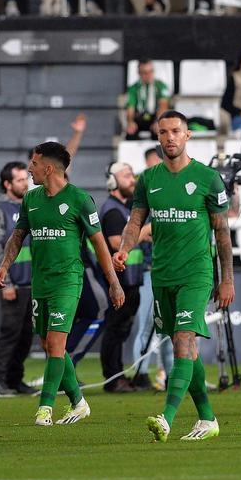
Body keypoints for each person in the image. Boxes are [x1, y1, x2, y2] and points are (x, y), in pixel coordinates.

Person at [113, 110, 233, 443]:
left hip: (196, 272)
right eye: (163, 132)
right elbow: (135, 222)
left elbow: (222, 233)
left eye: (176, 131)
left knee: (183, 340)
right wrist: (125, 248)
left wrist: (227, 280)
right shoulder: (149, 179)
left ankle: (166, 418)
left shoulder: (208, 178)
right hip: (162, 273)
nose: (169, 137)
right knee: (188, 350)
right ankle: (207, 418)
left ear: (187, 135)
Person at [0, 142, 124, 426]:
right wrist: (4, 266)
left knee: (55, 342)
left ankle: (45, 407)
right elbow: (17, 236)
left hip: (68, 280)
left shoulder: (80, 199)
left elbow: (100, 244)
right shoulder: (31, 199)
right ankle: (78, 402)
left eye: (33, 163)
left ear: (48, 167)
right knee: (49, 343)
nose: (30, 168)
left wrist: (113, 282)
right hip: (40, 282)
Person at [0, 161, 37, 397]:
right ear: (7, 184)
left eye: (25, 179)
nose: (24, 183)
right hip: (13, 284)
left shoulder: (33, 206)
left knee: (26, 335)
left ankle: (16, 379)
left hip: (32, 284)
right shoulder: (0, 210)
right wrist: (5, 280)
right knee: (9, 334)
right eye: (19, 180)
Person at [98, 161, 145, 394]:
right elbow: (117, 243)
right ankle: (113, 378)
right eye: (126, 176)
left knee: (122, 329)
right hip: (120, 281)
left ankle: (118, 376)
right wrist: (146, 231)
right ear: (113, 182)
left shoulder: (125, 208)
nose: (132, 180)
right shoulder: (113, 209)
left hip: (131, 279)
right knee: (115, 330)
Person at [124, 59, 170, 139]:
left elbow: (163, 105)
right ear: (139, 73)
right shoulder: (133, 88)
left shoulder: (161, 86)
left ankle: (158, 151)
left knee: (160, 132)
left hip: (155, 117)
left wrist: (158, 121)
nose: (149, 75)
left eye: (151, 71)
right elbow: (130, 109)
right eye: (145, 73)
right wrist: (130, 122)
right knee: (130, 133)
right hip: (140, 119)